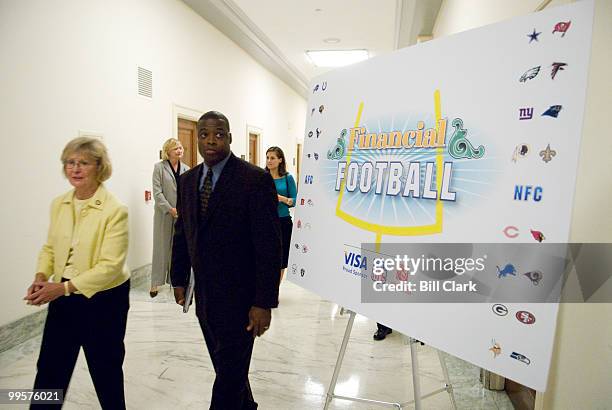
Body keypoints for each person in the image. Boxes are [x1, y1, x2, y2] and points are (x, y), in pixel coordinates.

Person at [171, 111, 282, 409]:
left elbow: (269, 246)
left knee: (228, 379)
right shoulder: (187, 181)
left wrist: (264, 302)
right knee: (227, 368)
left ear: (230, 138)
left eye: (219, 134)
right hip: (206, 299)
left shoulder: (254, 180)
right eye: (204, 134)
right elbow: (183, 233)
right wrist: (178, 278)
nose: (211, 141)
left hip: (243, 302)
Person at [24, 137, 130, 409]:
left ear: (99, 166)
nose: (75, 169)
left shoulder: (114, 210)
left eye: (83, 163)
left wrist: (61, 289)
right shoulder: (59, 204)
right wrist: (41, 276)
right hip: (63, 294)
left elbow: (110, 267)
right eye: (70, 162)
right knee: (50, 369)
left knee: (105, 370)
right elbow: (50, 247)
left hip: (105, 299)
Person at [151, 138, 190, 297]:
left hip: (181, 214)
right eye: (176, 149)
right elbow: (157, 192)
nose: (179, 151)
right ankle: (155, 283)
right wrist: (169, 209)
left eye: (180, 148)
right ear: (168, 151)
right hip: (164, 214)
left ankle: (175, 281)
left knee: (177, 249)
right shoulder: (159, 168)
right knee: (161, 248)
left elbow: (187, 192)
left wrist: (183, 210)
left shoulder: (186, 169)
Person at [265, 146, 297, 281]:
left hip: (283, 221)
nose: (269, 161)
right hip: (266, 221)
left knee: (281, 258)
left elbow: (295, 200)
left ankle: (275, 289)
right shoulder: (262, 177)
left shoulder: (287, 178)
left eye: (272, 158)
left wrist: (280, 198)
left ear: (280, 160)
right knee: (267, 256)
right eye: (267, 158)